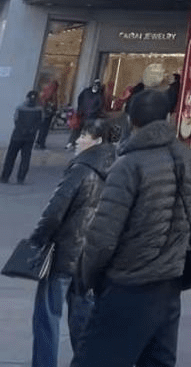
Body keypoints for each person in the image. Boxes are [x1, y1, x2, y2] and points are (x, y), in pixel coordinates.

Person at [72, 89, 191, 367]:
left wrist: (87, 277)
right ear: (168, 117)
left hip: (128, 284)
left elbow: (103, 234)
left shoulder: (129, 165)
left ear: (131, 121)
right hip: (169, 285)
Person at [28, 118, 116, 367]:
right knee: (83, 320)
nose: (78, 141)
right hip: (92, 258)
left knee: (47, 315)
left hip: (64, 253)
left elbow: (55, 211)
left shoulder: (81, 169)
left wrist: (37, 239)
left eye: (84, 136)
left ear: (98, 141)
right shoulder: (117, 171)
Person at [2, 90, 43, 184]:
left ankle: (5, 177)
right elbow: (39, 123)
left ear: (27, 98)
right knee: (25, 158)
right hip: (30, 138)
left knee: (10, 157)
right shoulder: (39, 110)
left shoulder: (20, 108)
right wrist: (31, 130)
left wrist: (23, 130)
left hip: (17, 136)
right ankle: (21, 178)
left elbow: (16, 121)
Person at [67, 79, 104, 149]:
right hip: (85, 115)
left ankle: (74, 143)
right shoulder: (94, 94)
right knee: (79, 130)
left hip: (88, 115)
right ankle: (73, 143)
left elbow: (99, 106)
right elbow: (99, 105)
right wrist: (81, 109)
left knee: (82, 131)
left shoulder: (93, 93)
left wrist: (92, 111)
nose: (96, 86)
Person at [34, 79, 59, 150]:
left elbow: (41, 99)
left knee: (42, 128)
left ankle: (38, 142)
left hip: (43, 111)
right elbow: (52, 101)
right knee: (45, 129)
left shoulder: (45, 89)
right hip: (48, 112)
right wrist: (54, 107)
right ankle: (41, 143)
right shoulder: (52, 91)